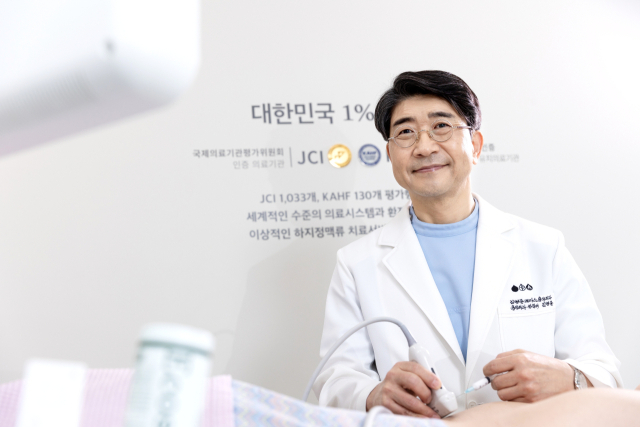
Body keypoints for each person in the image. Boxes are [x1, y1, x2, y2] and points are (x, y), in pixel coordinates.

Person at [312, 70, 622, 418]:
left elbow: (604, 371)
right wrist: (374, 394)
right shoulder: (357, 263)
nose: (424, 147)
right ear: (390, 154)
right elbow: (335, 381)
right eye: (406, 133)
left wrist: (568, 377)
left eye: (441, 126)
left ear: (474, 146)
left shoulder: (543, 247)